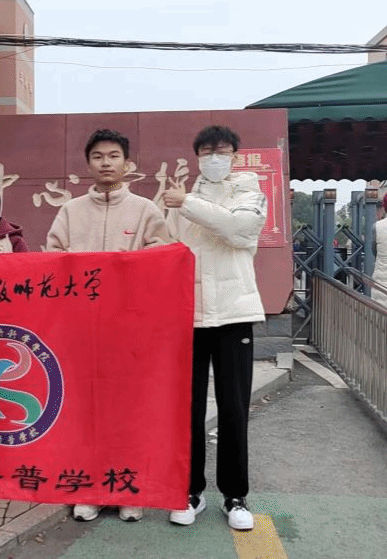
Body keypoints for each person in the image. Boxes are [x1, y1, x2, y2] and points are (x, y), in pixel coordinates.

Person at [46, 129, 170, 523]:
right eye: (98, 156)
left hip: (129, 331)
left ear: (127, 163)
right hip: (81, 330)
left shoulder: (145, 210)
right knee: (84, 412)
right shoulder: (70, 211)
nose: (106, 163)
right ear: (88, 164)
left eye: (113, 156)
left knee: (128, 411)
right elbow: (52, 258)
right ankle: (90, 489)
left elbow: (162, 261)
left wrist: (124, 270)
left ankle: (128, 488)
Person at [163, 125, 266, 531]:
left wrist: (187, 204)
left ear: (235, 155)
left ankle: (235, 495)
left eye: (222, 151)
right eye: (206, 152)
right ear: (197, 158)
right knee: (188, 408)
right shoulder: (185, 196)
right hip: (190, 315)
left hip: (234, 313)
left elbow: (239, 231)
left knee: (233, 407)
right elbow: (171, 249)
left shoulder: (248, 191)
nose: (214, 159)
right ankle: (191, 491)